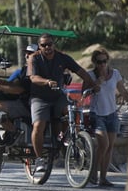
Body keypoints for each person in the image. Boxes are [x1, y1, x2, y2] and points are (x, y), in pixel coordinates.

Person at [27, 33, 99, 172]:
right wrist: (47, 82)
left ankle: (65, 139)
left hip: (58, 95)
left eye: (50, 44)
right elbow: (33, 78)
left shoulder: (63, 57)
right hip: (39, 97)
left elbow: (81, 72)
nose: (48, 47)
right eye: (44, 45)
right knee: (38, 124)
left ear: (54, 44)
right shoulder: (34, 58)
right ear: (39, 47)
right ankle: (39, 159)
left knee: (71, 111)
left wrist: (92, 85)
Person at [84, 48, 128, 186]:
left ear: (107, 61)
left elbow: (123, 91)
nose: (102, 64)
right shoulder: (90, 75)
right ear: (94, 62)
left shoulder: (115, 73)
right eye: (99, 62)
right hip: (97, 114)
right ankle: (93, 173)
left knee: (109, 147)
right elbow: (84, 93)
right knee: (103, 144)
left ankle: (103, 178)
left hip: (112, 114)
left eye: (104, 61)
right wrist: (95, 85)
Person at [0, 44, 37, 146]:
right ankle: (11, 132)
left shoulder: (33, 71)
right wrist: (1, 82)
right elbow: (17, 84)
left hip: (28, 105)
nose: (27, 56)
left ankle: (14, 131)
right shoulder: (25, 70)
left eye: (30, 53)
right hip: (26, 103)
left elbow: (19, 90)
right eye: (26, 53)